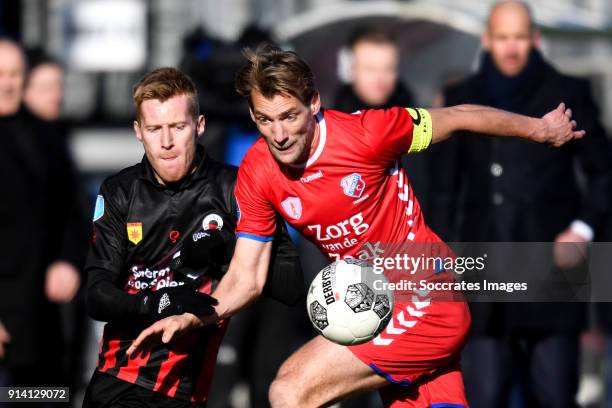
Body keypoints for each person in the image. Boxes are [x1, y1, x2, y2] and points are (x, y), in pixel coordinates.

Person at [127, 45, 584, 407]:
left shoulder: (369, 133)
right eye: (266, 120)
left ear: (314, 103)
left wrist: (539, 130)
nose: (280, 134)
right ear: (252, 116)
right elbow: (246, 277)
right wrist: (194, 313)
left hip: (428, 294)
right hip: (374, 308)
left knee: (289, 390)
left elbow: (461, 116)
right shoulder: (257, 172)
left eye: (289, 117)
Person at [83, 67, 303, 407]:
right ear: (138, 132)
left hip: (192, 390)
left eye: (178, 127)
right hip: (121, 382)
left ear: (199, 126)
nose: (167, 142)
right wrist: (156, 302)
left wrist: (227, 250)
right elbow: (96, 295)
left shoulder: (238, 188)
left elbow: (289, 284)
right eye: (155, 129)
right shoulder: (119, 192)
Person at [428, 1, 612, 407]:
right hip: (481, 270)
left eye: (519, 38)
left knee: (555, 393)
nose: (511, 48)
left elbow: (603, 173)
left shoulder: (570, 93)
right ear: (487, 40)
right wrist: (442, 256)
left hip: (554, 266)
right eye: (503, 38)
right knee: (484, 393)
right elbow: (443, 188)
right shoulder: (460, 98)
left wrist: (583, 229)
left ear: (535, 39)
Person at [0, 38, 86, 393]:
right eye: (0, 74)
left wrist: (67, 260)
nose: (8, 83)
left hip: (43, 320)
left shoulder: (44, 134)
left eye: (16, 74)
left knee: (41, 398)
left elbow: (71, 210)